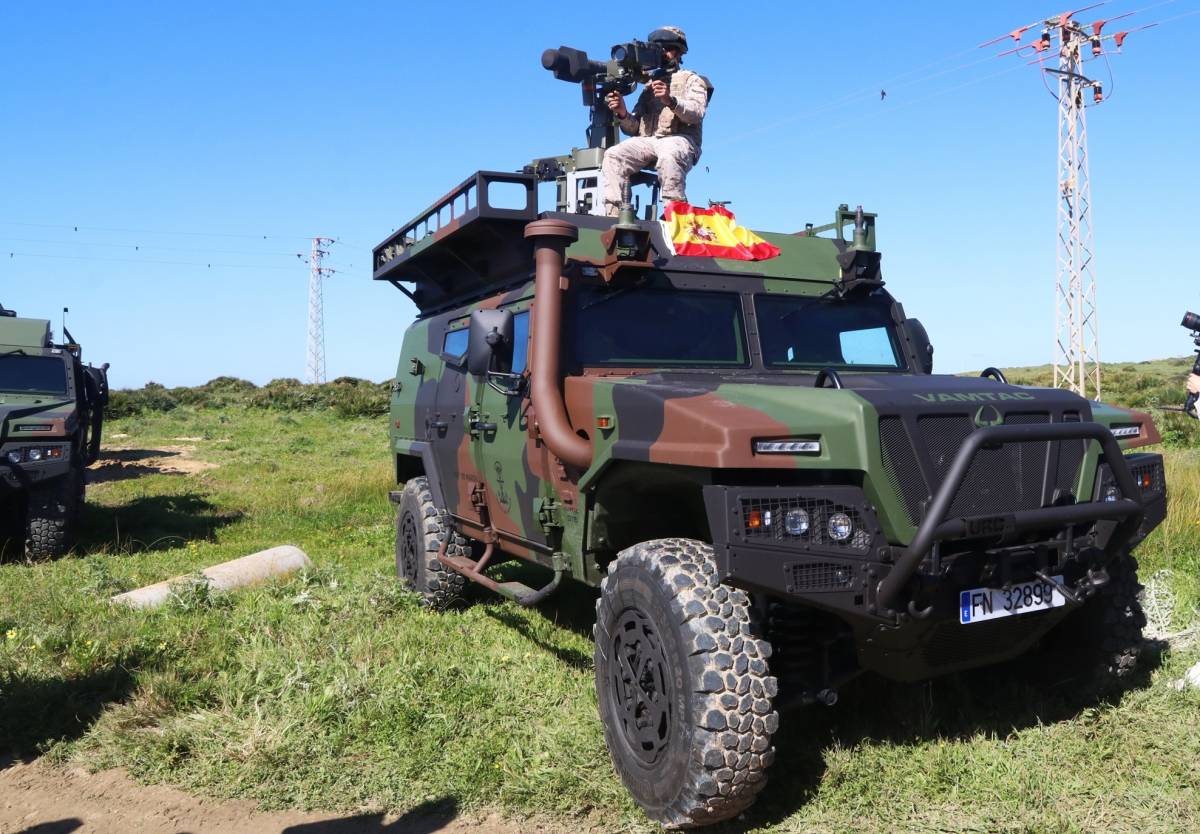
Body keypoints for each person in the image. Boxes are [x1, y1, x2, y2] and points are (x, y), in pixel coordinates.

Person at [601, 26, 710, 217]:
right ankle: (614, 215)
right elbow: (634, 128)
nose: (664, 53)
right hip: (649, 141)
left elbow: (697, 113)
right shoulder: (649, 86)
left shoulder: (692, 80)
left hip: (681, 139)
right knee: (613, 155)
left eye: (668, 48)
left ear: (678, 52)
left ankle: (674, 215)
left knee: (669, 154)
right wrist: (622, 112)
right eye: (658, 49)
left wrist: (670, 100)